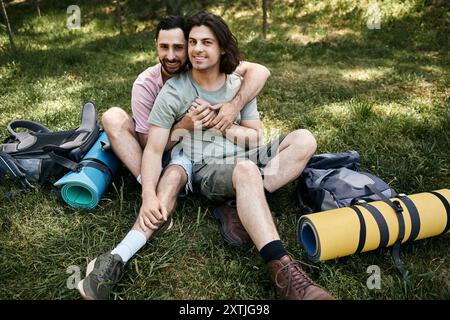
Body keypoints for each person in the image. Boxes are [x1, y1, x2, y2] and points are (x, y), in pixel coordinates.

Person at [137, 11, 335, 300]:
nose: (197, 49)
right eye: (192, 42)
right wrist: (147, 196)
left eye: (206, 42)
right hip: (209, 169)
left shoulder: (236, 85)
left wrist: (223, 120)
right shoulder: (174, 90)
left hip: (248, 155)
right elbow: (154, 149)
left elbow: (254, 136)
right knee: (245, 170)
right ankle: (284, 272)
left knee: (304, 139)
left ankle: (243, 199)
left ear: (222, 48)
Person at [77, 15, 270, 300]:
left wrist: (231, 107)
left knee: (181, 174)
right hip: (164, 148)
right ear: (155, 45)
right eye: (165, 47)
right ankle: (126, 239)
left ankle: (123, 249)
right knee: (120, 125)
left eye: (180, 47)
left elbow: (260, 71)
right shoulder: (149, 84)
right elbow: (150, 146)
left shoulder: (206, 63)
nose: (173, 55)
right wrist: (149, 191)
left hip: (200, 155)